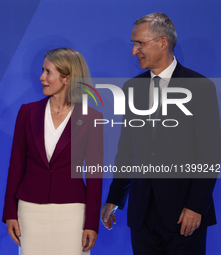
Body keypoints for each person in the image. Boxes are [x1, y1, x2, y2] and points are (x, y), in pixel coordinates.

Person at [101, 13, 220, 255]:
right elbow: (127, 149)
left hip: (184, 214)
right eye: (134, 44)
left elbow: (210, 154)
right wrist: (115, 197)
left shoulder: (200, 86)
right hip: (142, 213)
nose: (134, 51)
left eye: (139, 43)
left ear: (163, 42)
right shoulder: (132, 87)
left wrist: (195, 206)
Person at [2, 48, 103, 254]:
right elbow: (16, 165)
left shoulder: (91, 117)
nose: (41, 77)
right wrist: (10, 212)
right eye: (42, 71)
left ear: (67, 77)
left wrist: (91, 224)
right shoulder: (27, 112)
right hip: (29, 212)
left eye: (48, 72)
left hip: (72, 213)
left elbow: (95, 176)